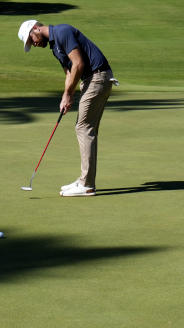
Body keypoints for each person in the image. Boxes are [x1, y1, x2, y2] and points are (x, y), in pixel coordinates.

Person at [18, 19, 118, 197]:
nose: (33, 43)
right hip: (92, 80)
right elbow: (70, 73)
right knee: (86, 127)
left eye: (31, 39)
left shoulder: (62, 32)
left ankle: (87, 185)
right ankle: (84, 180)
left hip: (98, 77)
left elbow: (78, 63)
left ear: (36, 28)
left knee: (84, 127)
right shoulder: (55, 47)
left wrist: (68, 94)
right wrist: (66, 96)